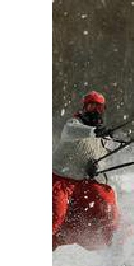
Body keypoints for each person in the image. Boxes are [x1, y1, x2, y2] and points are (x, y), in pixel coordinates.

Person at [52, 91, 122, 251]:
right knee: (56, 212)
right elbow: (74, 131)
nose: (95, 111)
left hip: (86, 182)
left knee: (107, 205)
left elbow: (106, 155)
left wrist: (97, 168)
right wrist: (95, 132)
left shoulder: (105, 135)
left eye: (99, 107)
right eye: (91, 106)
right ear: (84, 108)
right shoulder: (73, 124)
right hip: (62, 179)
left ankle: (116, 247)